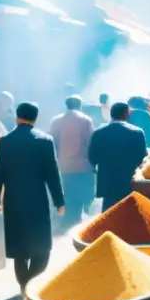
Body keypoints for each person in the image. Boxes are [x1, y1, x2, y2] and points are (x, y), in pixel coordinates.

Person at [0, 103, 65, 294]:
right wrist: (59, 201)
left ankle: (25, 285)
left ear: (17, 117)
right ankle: (31, 284)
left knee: (20, 249)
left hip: (13, 200)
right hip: (37, 201)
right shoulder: (45, 141)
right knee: (42, 249)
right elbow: (52, 175)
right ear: (35, 118)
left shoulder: (5, 141)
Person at [88, 102, 148, 210]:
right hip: (129, 181)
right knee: (128, 213)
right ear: (126, 114)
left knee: (108, 213)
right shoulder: (137, 132)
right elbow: (142, 158)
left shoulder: (99, 133)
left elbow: (92, 157)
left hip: (107, 182)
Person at [49, 95, 96, 228]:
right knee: (81, 198)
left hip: (63, 166)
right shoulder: (86, 120)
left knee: (67, 196)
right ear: (80, 105)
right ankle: (78, 224)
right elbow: (91, 142)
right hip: (83, 167)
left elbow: (52, 143)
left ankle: (66, 222)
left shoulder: (56, 120)